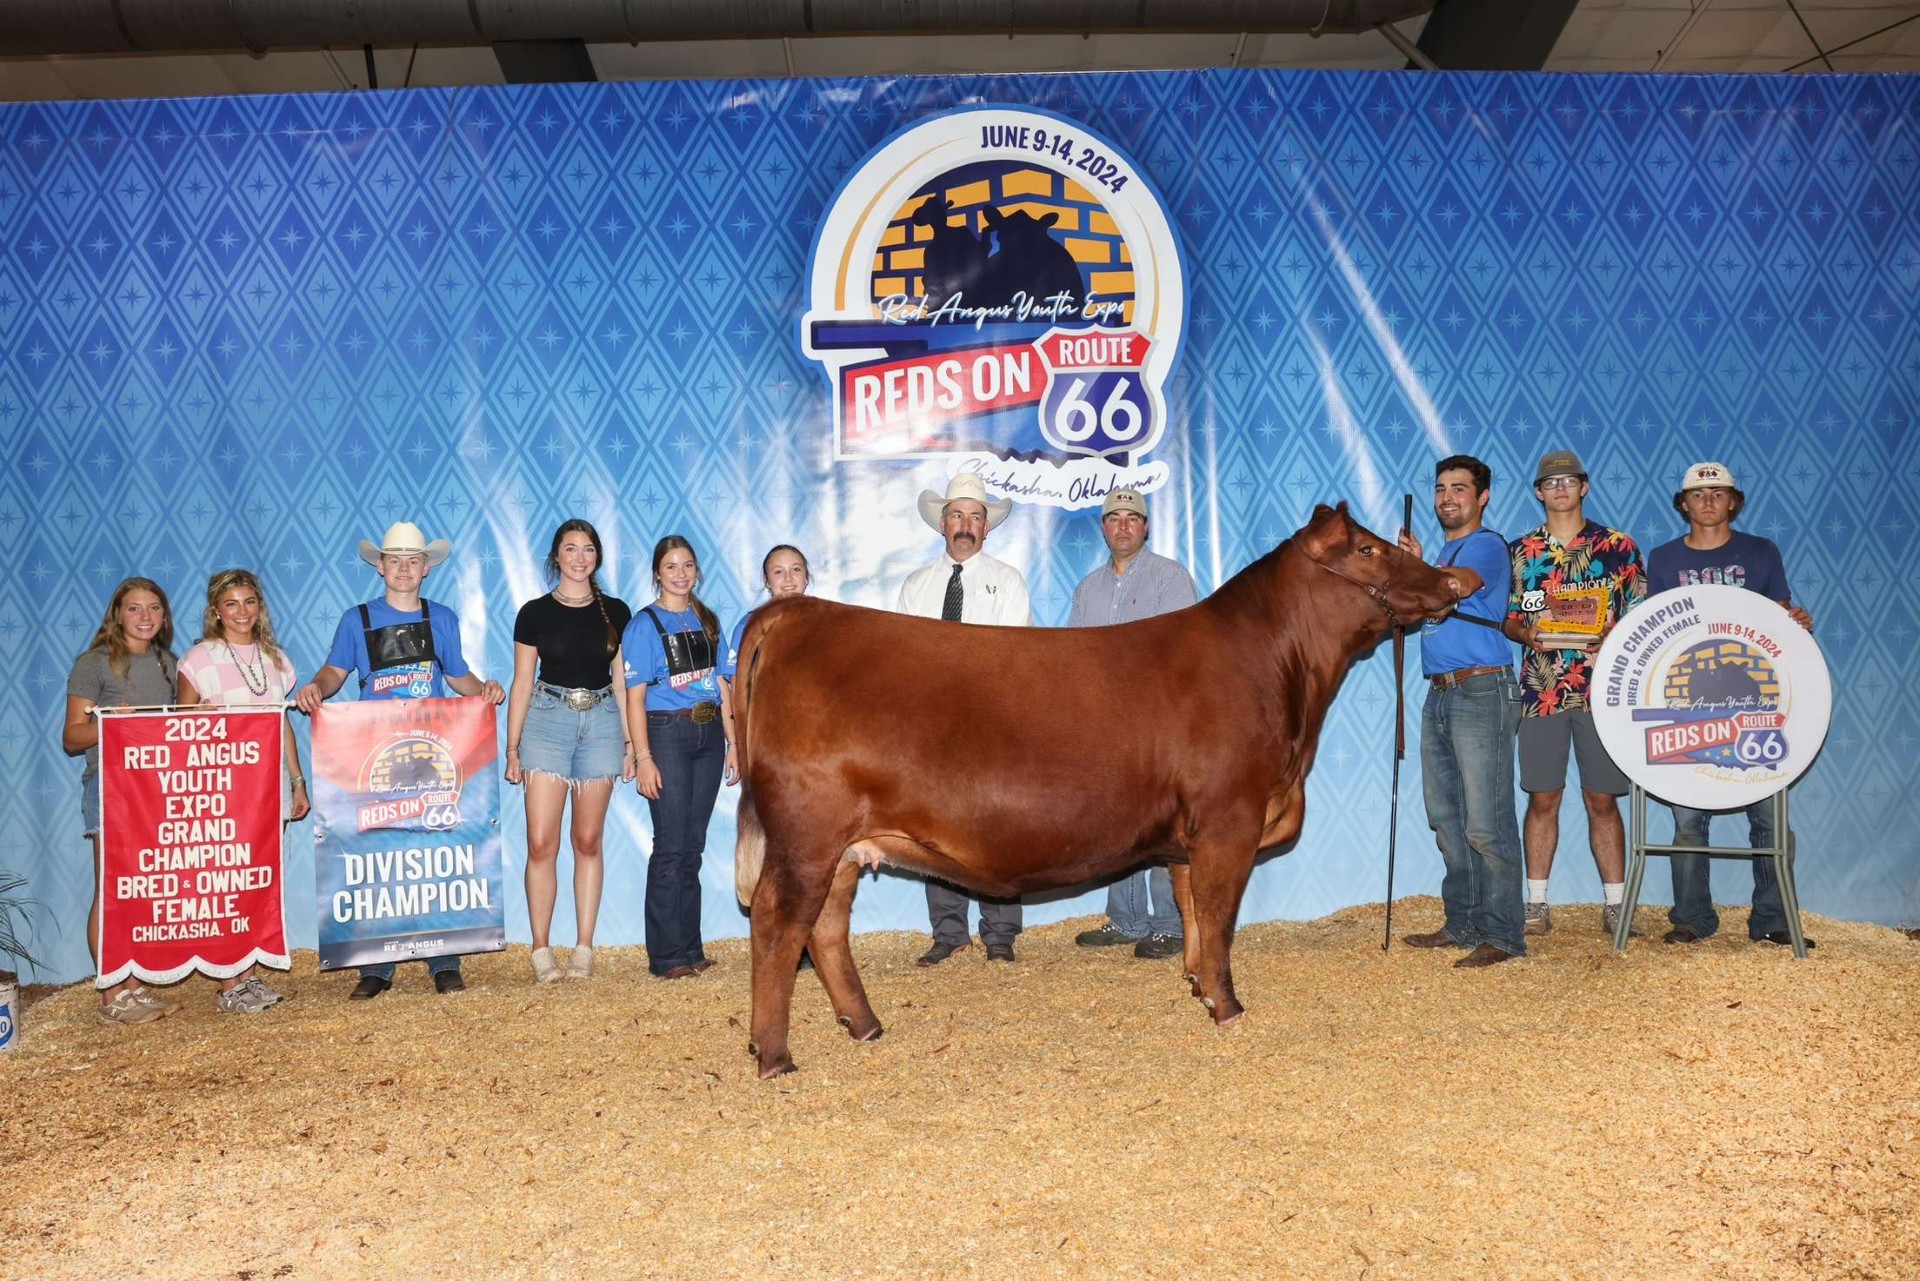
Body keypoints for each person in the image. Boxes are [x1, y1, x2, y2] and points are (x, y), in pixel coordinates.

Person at [294, 521, 505, 1000]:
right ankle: (376, 965)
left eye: (413, 561)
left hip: (432, 749)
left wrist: (486, 690)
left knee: (434, 848)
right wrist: (315, 687)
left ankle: (444, 961)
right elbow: (334, 671)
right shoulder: (357, 619)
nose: (404, 569)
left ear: (426, 568)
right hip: (374, 751)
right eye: (395, 560)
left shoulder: (442, 618)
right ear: (381, 566)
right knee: (378, 852)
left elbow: (458, 677)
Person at [1646, 461, 1816, 949]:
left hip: (1754, 705)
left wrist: (1794, 619)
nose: (1707, 502)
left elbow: (1779, 619)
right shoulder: (1662, 559)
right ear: (1683, 505)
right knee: (1686, 819)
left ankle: (1773, 918)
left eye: (1717, 494)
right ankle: (1692, 918)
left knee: (1768, 816)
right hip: (1686, 705)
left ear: (1733, 501)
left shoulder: (1762, 552)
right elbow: (1655, 630)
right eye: (1698, 495)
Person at [1504, 450, 1646, 938]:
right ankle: (1536, 904)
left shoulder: (1618, 546)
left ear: (1584, 487)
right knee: (1543, 798)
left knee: (1601, 800)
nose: (1560, 488)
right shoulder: (1520, 551)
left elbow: (1640, 615)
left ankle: (1616, 904)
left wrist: (1614, 634)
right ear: (1539, 492)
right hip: (1541, 690)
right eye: (1550, 481)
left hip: (1603, 691)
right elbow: (1510, 616)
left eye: (1569, 480)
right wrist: (1526, 635)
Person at [896, 473, 1031, 965]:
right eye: (957, 515)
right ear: (942, 524)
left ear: (987, 527)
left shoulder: (1008, 581)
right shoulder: (917, 586)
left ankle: (1000, 933)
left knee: (997, 825)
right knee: (936, 828)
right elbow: (907, 662)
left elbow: (1017, 656)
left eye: (976, 516)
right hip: (934, 725)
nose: (966, 525)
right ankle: (948, 931)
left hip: (992, 719)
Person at [1396, 458, 1526, 968]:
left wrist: (1418, 571)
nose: (1448, 497)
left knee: (1486, 823)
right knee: (1447, 819)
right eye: (1441, 489)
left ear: (1483, 496)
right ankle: (1464, 923)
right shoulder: (1445, 551)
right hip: (1442, 694)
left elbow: (1463, 584)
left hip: (1482, 689)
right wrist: (1414, 571)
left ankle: (1504, 935)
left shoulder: (1487, 545)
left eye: (1460, 488)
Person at [1067, 489, 1197, 960]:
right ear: (1103, 528)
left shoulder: (1170, 578)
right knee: (1117, 822)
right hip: (1106, 724)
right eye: (1114, 518)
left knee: (1164, 820)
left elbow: (1182, 650)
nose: (1123, 526)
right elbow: (1076, 662)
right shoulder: (1088, 589)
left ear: (1146, 527)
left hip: (1159, 721)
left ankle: (1168, 923)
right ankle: (1126, 919)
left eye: (1132, 519)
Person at [504, 520, 635, 983]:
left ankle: (584, 948)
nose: (580, 558)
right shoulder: (534, 613)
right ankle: (541, 950)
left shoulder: (617, 612)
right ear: (555, 556)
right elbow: (520, 685)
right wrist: (512, 748)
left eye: (588, 550)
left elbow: (623, 682)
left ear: (597, 557)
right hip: (545, 720)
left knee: (588, 841)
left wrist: (630, 743)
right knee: (542, 842)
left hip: (601, 723)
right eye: (570, 549)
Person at [174, 568, 310, 1012]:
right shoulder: (199, 659)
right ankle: (230, 982)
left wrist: (296, 779)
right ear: (216, 610)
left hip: (266, 786)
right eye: (231, 603)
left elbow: (280, 721)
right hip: (220, 784)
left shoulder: (275, 660)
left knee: (258, 880)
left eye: (249, 601)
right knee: (227, 880)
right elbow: (176, 725)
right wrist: (201, 718)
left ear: (260, 607)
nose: (242, 611)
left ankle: (249, 975)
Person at [63, 578, 187, 1025]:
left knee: (142, 890)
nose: (145, 617)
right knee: (112, 888)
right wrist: (110, 725)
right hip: (111, 784)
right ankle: (111, 992)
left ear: (164, 616)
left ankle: (134, 987)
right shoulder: (93, 664)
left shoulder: (170, 664)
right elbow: (72, 737)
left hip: (154, 788)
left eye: (154, 608)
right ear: (117, 614)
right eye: (134, 609)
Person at [622, 535, 729, 980]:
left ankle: (690, 946)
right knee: (670, 845)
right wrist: (642, 756)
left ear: (696, 571)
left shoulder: (707, 620)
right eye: (671, 566)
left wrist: (734, 741)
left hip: (709, 735)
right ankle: (666, 955)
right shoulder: (644, 625)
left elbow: (723, 685)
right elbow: (634, 695)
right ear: (657, 574)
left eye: (687, 565)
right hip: (666, 733)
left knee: (693, 846)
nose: (681, 573)